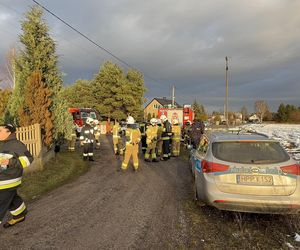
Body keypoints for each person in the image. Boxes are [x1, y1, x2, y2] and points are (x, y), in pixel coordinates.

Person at [0, 124, 33, 228]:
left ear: (9, 132)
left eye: (0, 131)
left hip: (9, 179)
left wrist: (10, 161)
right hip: (2, 178)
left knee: (2, 201)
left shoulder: (17, 145)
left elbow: (28, 160)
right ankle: (20, 215)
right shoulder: (1, 144)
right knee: (11, 198)